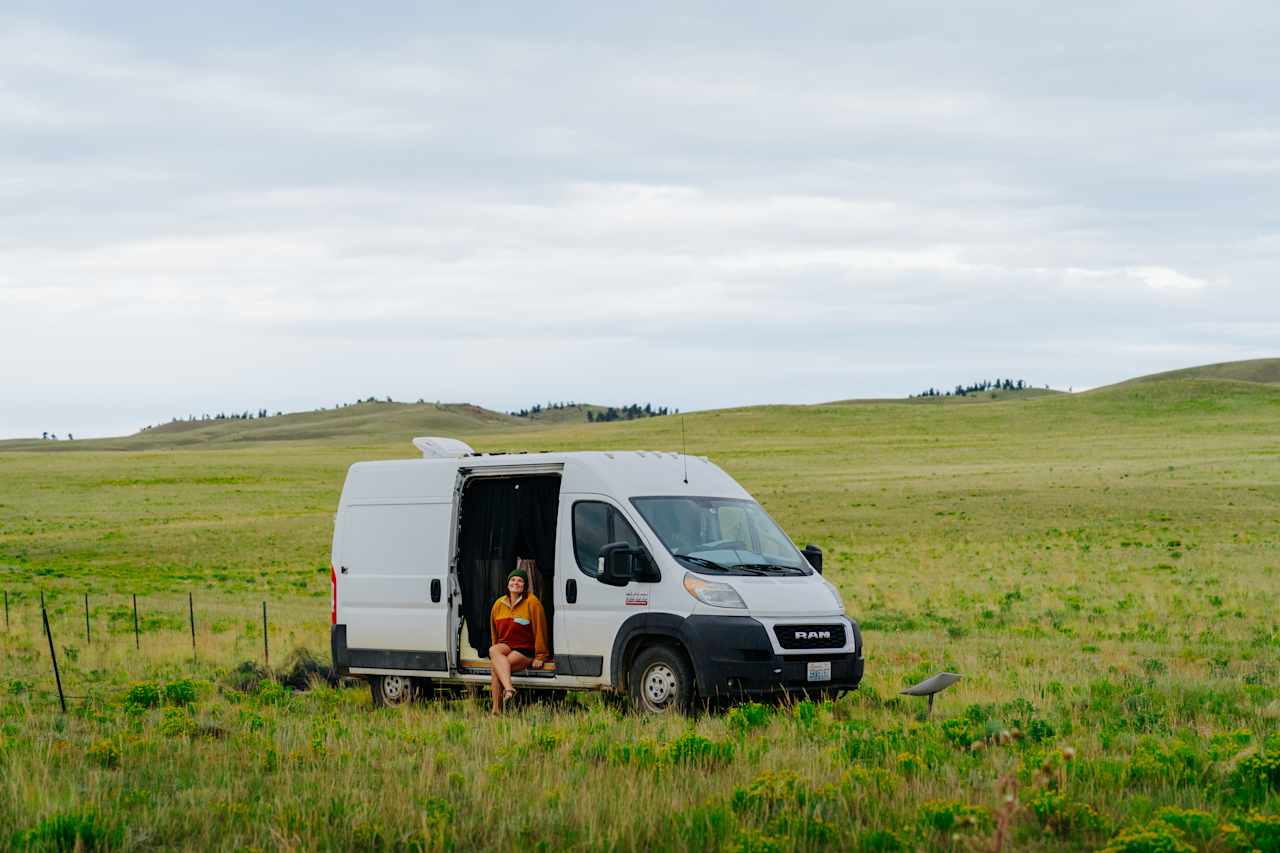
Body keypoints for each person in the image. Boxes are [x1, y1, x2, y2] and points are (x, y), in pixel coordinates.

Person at [488, 559, 549, 714]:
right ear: (508, 584)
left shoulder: (532, 603)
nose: (516, 583)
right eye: (513, 580)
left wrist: (540, 656)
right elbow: (494, 631)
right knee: (493, 650)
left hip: (524, 649)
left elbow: (540, 629)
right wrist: (496, 655)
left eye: (520, 580)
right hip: (506, 645)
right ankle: (509, 689)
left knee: (497, 669)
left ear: (525, 585)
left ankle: (496, 711)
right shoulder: (499, 604)